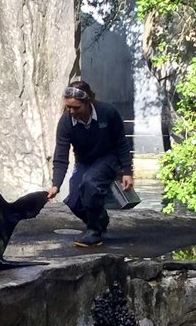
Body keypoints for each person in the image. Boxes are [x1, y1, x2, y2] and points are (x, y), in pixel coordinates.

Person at [46, 80, 133, 247]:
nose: (72, 111)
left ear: (88, 102)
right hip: (85, 161)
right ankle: (100, 219)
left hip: (108, 158)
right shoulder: (66, 122)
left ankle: (94, 233)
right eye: (68, 107)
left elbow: (121, 142)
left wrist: (127, 171)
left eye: (76, 108)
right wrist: (55, 185)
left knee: (90, 184)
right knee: (73, 202)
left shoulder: (108, 112)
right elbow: (61, 156)